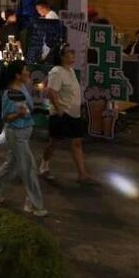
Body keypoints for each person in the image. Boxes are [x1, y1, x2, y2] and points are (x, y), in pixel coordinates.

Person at [0, 60, 47, 216]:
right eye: (25, 70)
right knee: (29, 168)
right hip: (17, 134)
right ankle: (35, 205)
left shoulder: (22, 87)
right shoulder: (10, 93)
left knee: (11, 166)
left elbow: (30, 100)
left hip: (23, 133)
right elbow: (6, 117)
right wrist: (19, 114)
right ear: (17, 75)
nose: (28, 72)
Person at [40, 46, 96, 184]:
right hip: (62, 113)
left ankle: (82, 174)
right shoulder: (57, 71)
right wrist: (59, 109)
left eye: (73, 52)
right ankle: (44, 166)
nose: (73, 54)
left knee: (77, 142)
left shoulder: (70, 70)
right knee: (54, 142)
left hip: (74, 113)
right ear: (61, 56)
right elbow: (51, 92)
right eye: (70, 52)